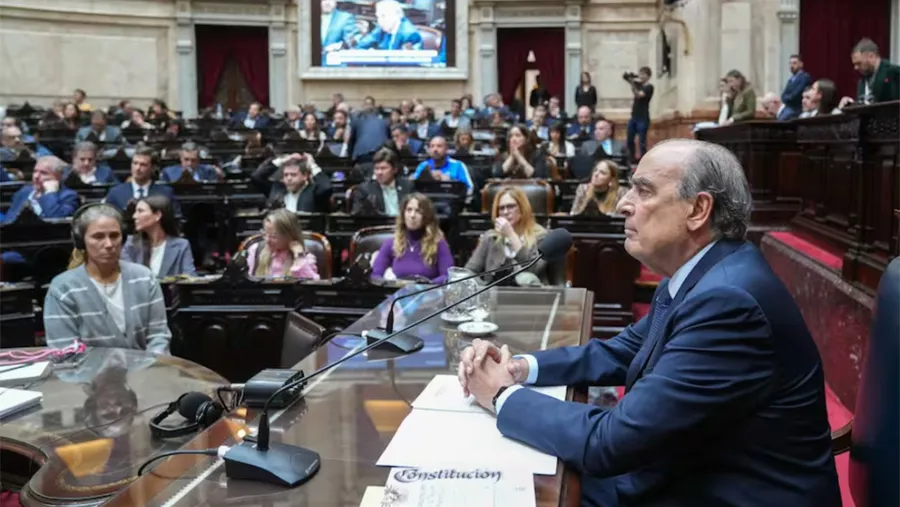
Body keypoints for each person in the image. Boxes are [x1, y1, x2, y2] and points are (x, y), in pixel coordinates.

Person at [457, 139, 840, 507]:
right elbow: (625, 350)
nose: (624, 203)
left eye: (643, 191)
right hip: (685, 471)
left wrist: (502, 395)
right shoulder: (700, 272)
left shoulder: (728, 302)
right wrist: (521, 368)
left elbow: (611, 443)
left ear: (698, 209)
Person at [43, 203, 171, 355]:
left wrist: (148, 372)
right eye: (98, 237)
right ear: (81, 241)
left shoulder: (145, 278)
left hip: (144, 374)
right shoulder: (63, 288)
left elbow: (158, 337)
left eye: (114, 236)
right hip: (88, 377)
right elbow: (64, 351)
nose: (109, 244)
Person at [464, 186, 551, 286]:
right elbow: (469, 272)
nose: (505, 212)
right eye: (501, 208)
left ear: (522, 208)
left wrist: (511, 235)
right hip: (495, 297)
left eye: (511, 206)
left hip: (531, 297)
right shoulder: (491, 238)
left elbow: (533, 269)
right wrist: (484, 287)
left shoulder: (541, 236)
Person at [371, 193, 454, 283]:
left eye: (418, 211)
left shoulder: (438, 244)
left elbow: (447, 276)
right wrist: (387, 283)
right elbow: (375, 275)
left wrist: (428, 285)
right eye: (409, 210)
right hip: (397, 294)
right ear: (403, 214)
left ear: (426, 216)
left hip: (428, 294)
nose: (412, 215)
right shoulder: (391, 243)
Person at [121, 195, 196, 277]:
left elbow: (191, 278)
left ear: (157, 215)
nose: (134, 216)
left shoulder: (181, 245)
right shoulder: (129, 244)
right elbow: (127, 277)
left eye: (140, 211)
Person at [246, 208, 320, 279]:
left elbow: (311, 283)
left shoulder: (305, 257)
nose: (267, 240)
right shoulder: (255, 250)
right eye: (265, 234)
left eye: (273, 236)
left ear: (289, 236)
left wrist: (299, 257)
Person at [3, 156, 80, 223]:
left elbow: (55, 219)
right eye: (35, 171)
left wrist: (50, 193)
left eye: (43, 173)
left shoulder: (69, 196)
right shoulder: (24, 192)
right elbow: (8, 219)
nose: (36, 176)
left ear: (58, 177)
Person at [104, 146, 179, 214]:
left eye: (143, 165)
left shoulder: (166, 193)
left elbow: (176, 221)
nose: (137, 168)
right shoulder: (115, 193)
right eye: (135, 163)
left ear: (153, 168)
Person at [250, 152, 332, 213]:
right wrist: (283, 160)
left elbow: (326, 187)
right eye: (286, 175)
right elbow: (256, 177)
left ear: (305, 176)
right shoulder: (276, 189)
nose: (289, 178)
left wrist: (312, 165)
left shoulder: (314, 192)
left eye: (293, 175)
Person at [839, 38, 900, 107]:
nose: (856, 68)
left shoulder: (894, 73)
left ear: (871, 56)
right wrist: (853, 104)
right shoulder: (862, 81)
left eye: (859, 63)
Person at [351, 148, 414, 216]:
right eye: (376, 168)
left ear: (395, 169)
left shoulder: (407, 186)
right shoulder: (365, 190)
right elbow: (357, 216)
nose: (379, 172)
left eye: (383, 168)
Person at [356, 0, 423, 50]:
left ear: (397, 15)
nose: (380, 21)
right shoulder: (380, 29)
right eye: (378, 17)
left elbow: (410, 62)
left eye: (383, 16)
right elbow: (361, 46)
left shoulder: (410, 34)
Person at [625, 66, 654, 162]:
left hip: (643, 117)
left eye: (643, 74)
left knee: (642, 141)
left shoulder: (649, 87)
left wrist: (632, 83)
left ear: (648, 76)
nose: (641, 76)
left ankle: (643, 160)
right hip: (634, 116)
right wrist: (630, 77)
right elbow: (626, 78)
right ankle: (631, 159)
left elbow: (639, 95)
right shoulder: (638, 84)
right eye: (640, 74)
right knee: (629, 138)